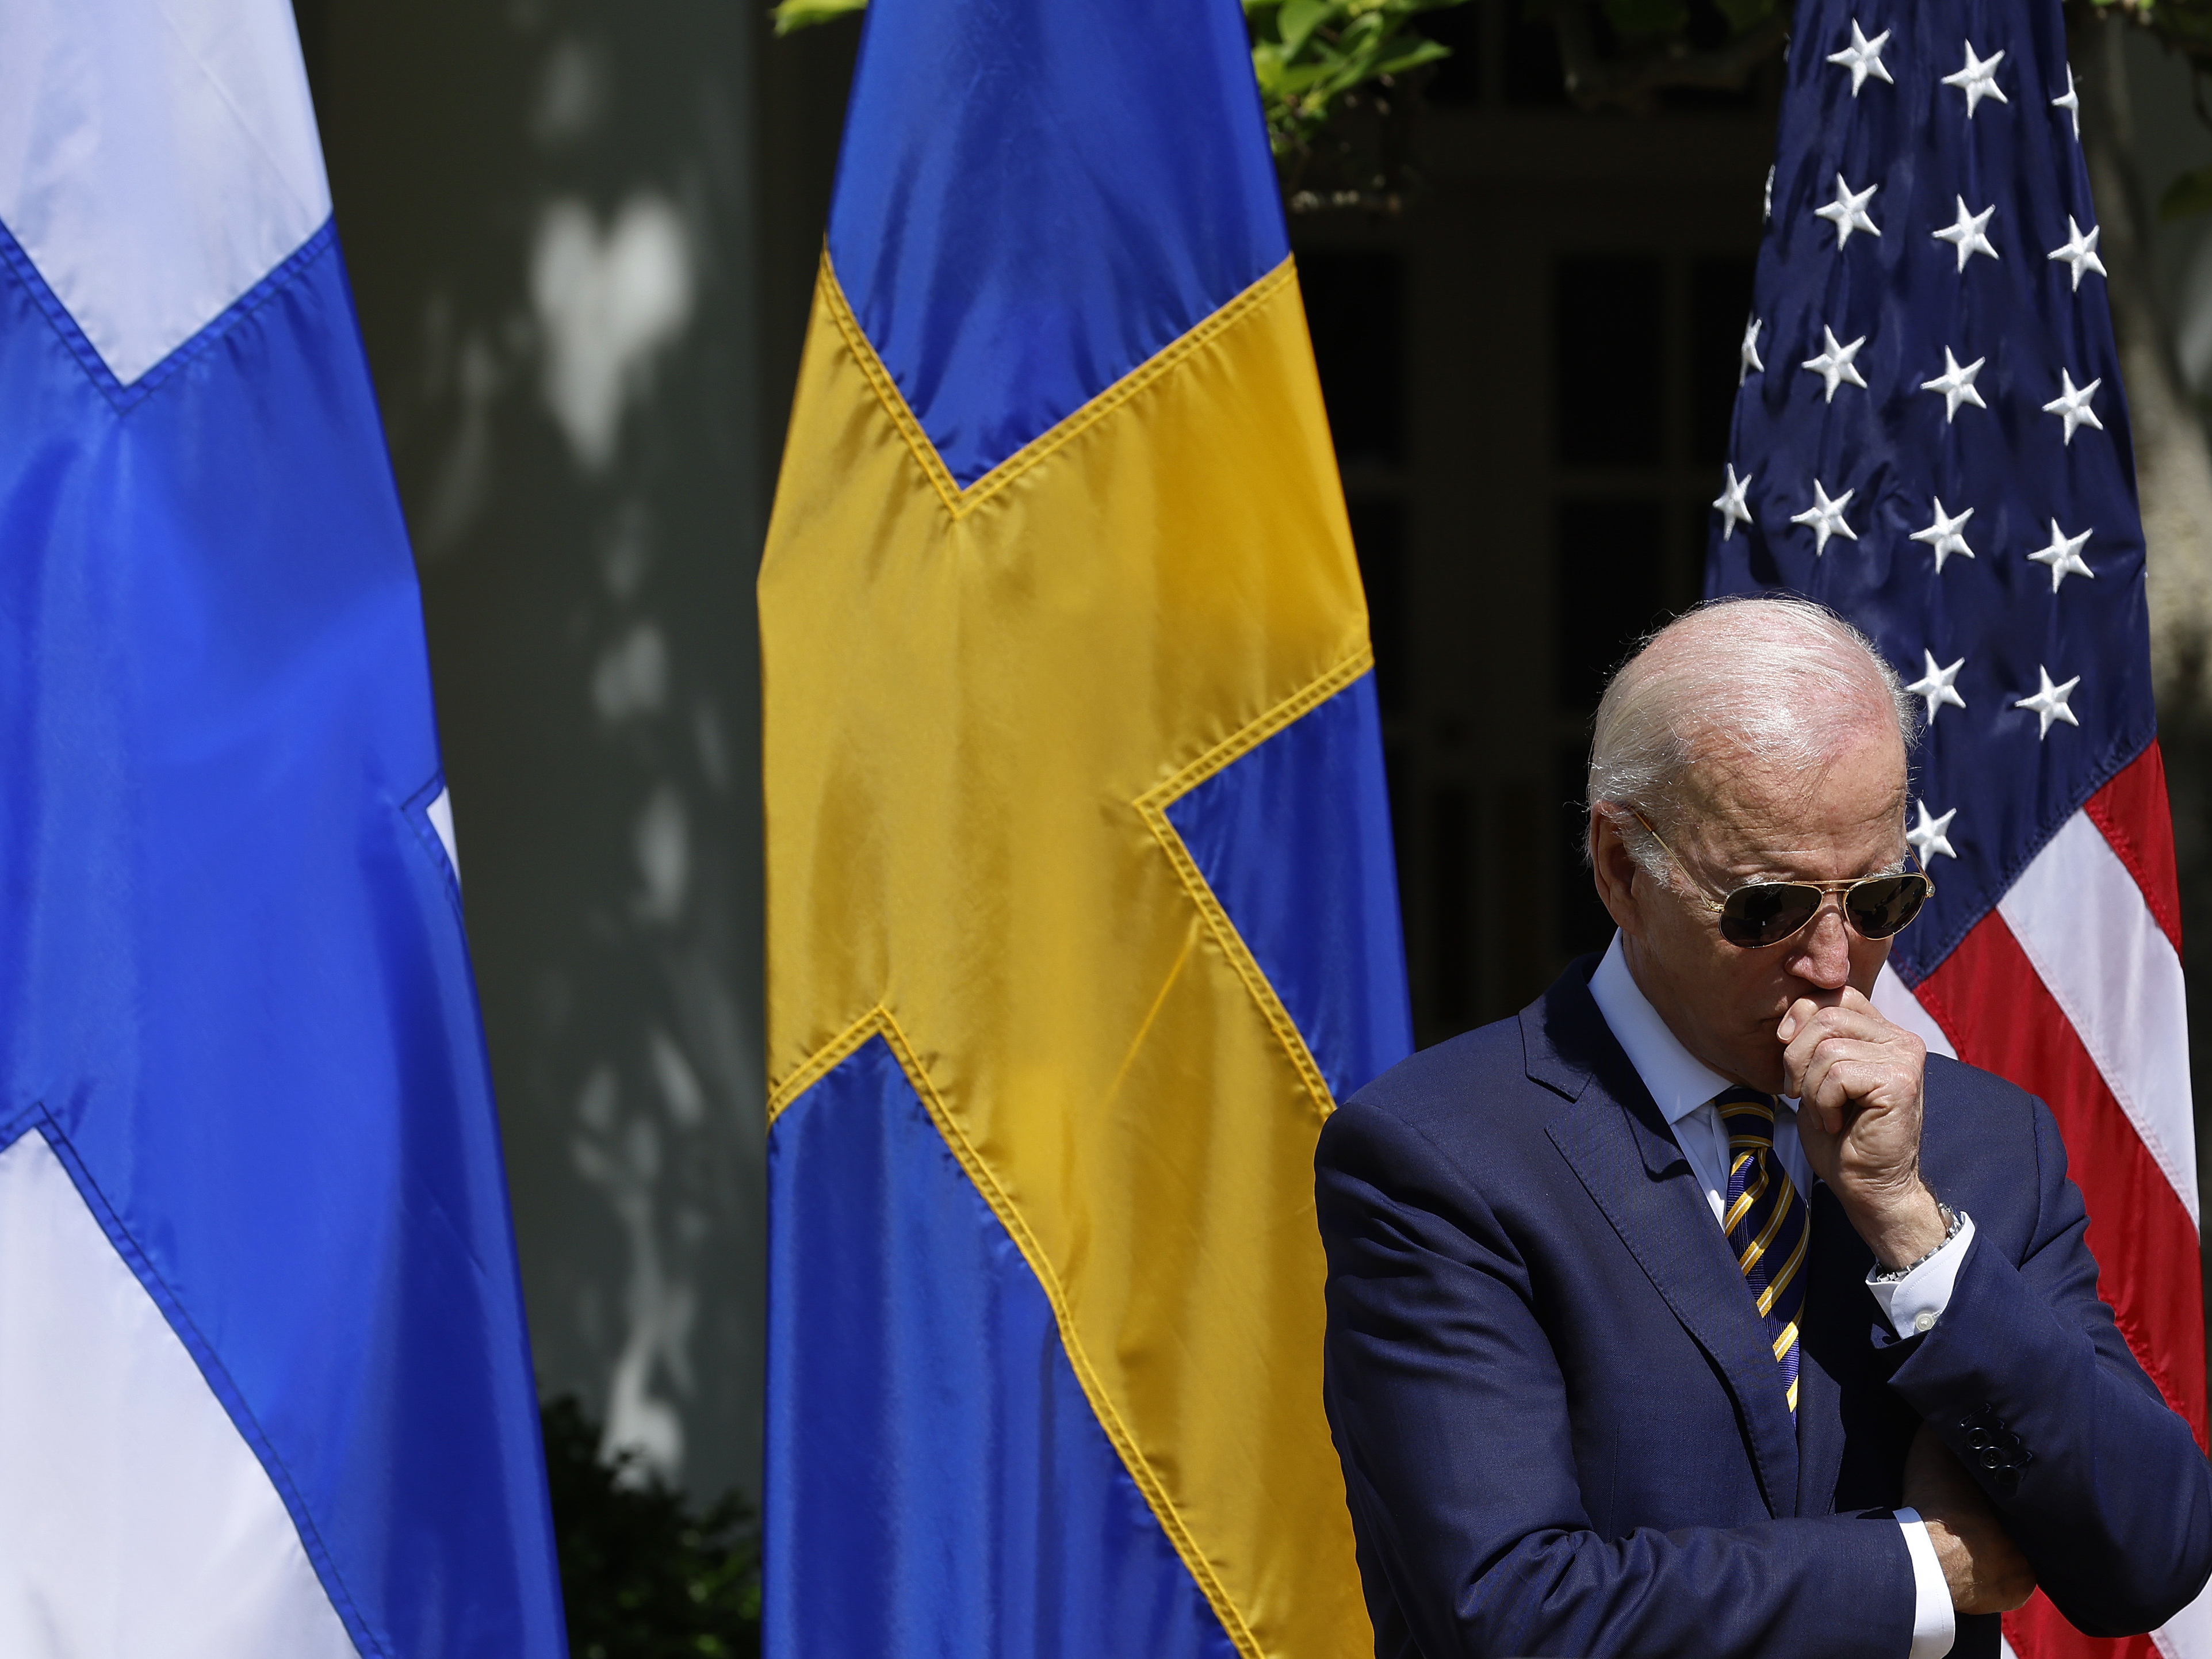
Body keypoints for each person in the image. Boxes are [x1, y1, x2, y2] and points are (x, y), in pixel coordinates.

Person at [1315, 595, 2212, 1659]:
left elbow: (2149, 1553)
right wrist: (1919, 1570)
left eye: (1876, 901)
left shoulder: (1980, 1144)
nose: (1833, 966)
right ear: (1619, 868)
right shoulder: (1439, 1156)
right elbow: (1508, 1612)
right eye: (1766, 908)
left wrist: (1912, 1237)